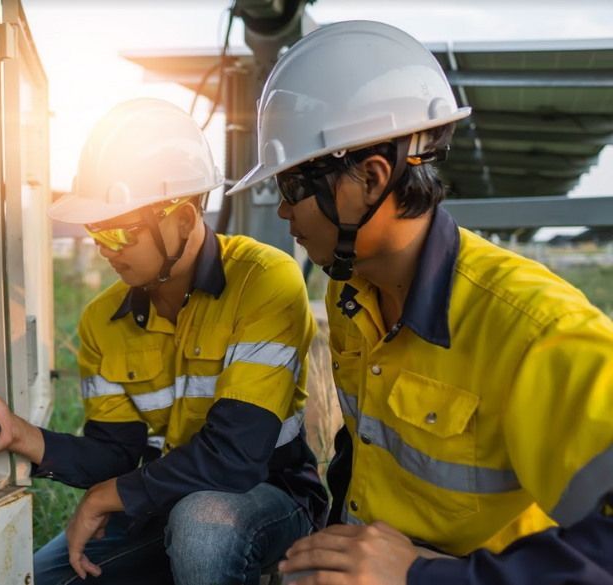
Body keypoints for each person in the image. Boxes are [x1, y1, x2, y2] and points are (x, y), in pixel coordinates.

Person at [228, 20, 613, 585]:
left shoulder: (534, 329)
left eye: (291, 189)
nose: (283, 213)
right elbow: (362, 450)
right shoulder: (349, 291)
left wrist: (422, 576)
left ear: (371, 178)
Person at [0, 98, 328, 585]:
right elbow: (115, 454)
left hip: (267, 498)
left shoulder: (265, 281)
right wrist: (17, 433)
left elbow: (235, 458)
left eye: (120, 232)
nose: (103, 248)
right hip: (161, 501)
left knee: (203, 526)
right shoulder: (103, 320)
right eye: (96, 229)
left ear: (182, 220)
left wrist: (104, 496)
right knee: (39, 578)